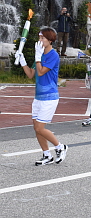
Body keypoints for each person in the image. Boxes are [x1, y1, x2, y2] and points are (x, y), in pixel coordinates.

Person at [16, 27, 68, 165]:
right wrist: (22, 61)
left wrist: (38, 57)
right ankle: (47, 155)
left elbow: (41, 72)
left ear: (50, 40)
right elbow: (31, 74)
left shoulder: (53, 55)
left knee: (40, 128)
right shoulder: (39, 54)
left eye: (42, 38)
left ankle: (60, 147)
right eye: (39, 37)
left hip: (50, 96)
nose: (40, 40)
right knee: (36, 128)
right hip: (38, 97)